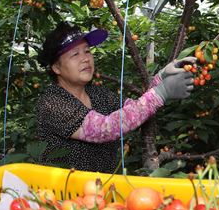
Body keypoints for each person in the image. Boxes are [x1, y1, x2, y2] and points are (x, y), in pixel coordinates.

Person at [36, 22, 195, 172]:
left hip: (102, 190)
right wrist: (162, 91)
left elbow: (135, 112)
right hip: (65, 193)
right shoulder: (53, 102)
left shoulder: (98, 94)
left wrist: (161, 77)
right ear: (56, 67)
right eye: (75, 54)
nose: (85, 58)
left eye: (87, 51)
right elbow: (106, 128)